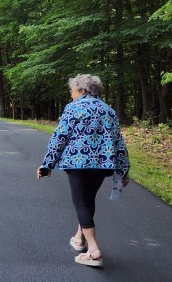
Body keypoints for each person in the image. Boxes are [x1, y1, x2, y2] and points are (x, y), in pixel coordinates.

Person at [36, 74, 130, 267]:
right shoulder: (108, 110)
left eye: (71, 90)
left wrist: (47, 164)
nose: (70, 93)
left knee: (81, 202)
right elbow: (118, 142)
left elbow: (59, 137)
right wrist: (123, 170)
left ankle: (94, 250)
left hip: (78, 162)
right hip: (102, 165)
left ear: (81, 90)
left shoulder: (73, 108)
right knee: (87, 200)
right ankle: (79, 239)